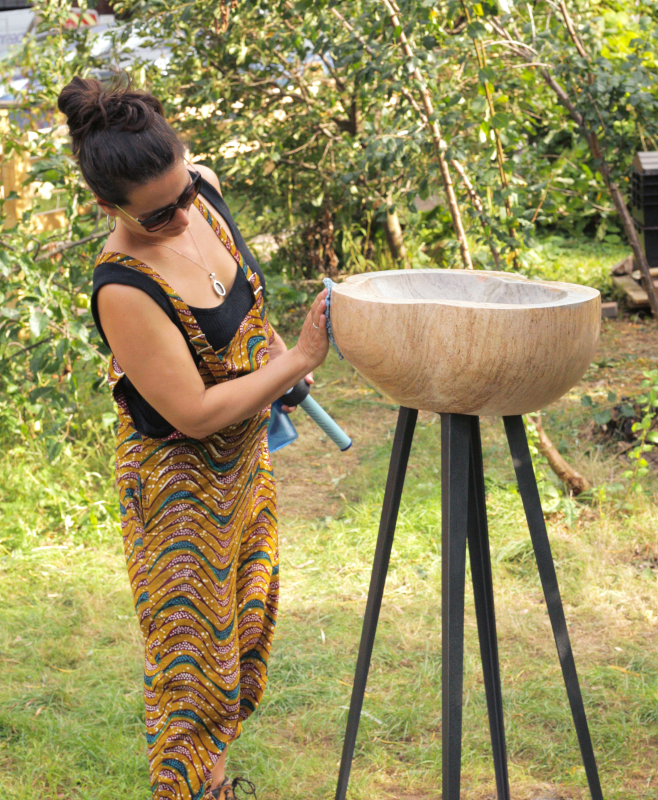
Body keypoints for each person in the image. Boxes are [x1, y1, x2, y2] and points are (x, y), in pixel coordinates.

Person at [57, 74, 330, 800]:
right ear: (107, 208)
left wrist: (272, 354)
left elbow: (246, 303)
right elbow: (195, 413)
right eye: (156, 215)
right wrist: (298, 360)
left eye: (183, 195)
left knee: (238, 647)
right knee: (191, 679)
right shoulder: (123, 285)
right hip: (178, 489)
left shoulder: (198, 191)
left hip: (244, 469)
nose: (181, 217)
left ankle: (216, 788)